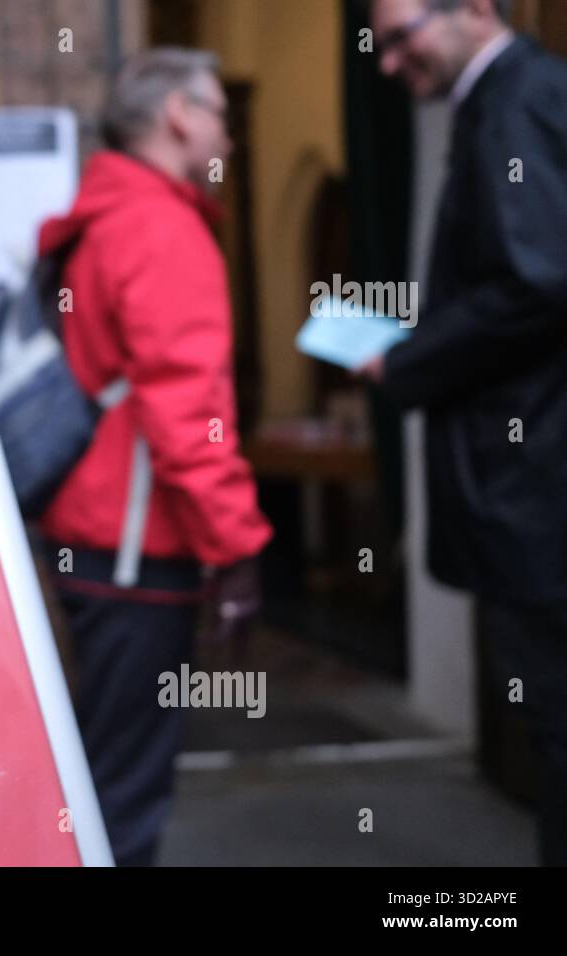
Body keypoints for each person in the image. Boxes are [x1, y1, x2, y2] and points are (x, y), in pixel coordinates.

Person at [37, 48, 272, 866]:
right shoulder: (161, 226)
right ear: (179, 115)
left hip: (96, 534)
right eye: (220, 118)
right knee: (123, 799)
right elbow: (188, 413)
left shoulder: (105, 213)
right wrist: (236, 548)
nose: (229, 141)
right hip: (136, 550)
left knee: (103, 773)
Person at [362, 0, 567, 865]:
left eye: (401, 33)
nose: (387, 60)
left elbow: (537, 283)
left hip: (539, 473)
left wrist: (404, 363)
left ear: (476, 10)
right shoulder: (511, 98)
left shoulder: (516, 99)